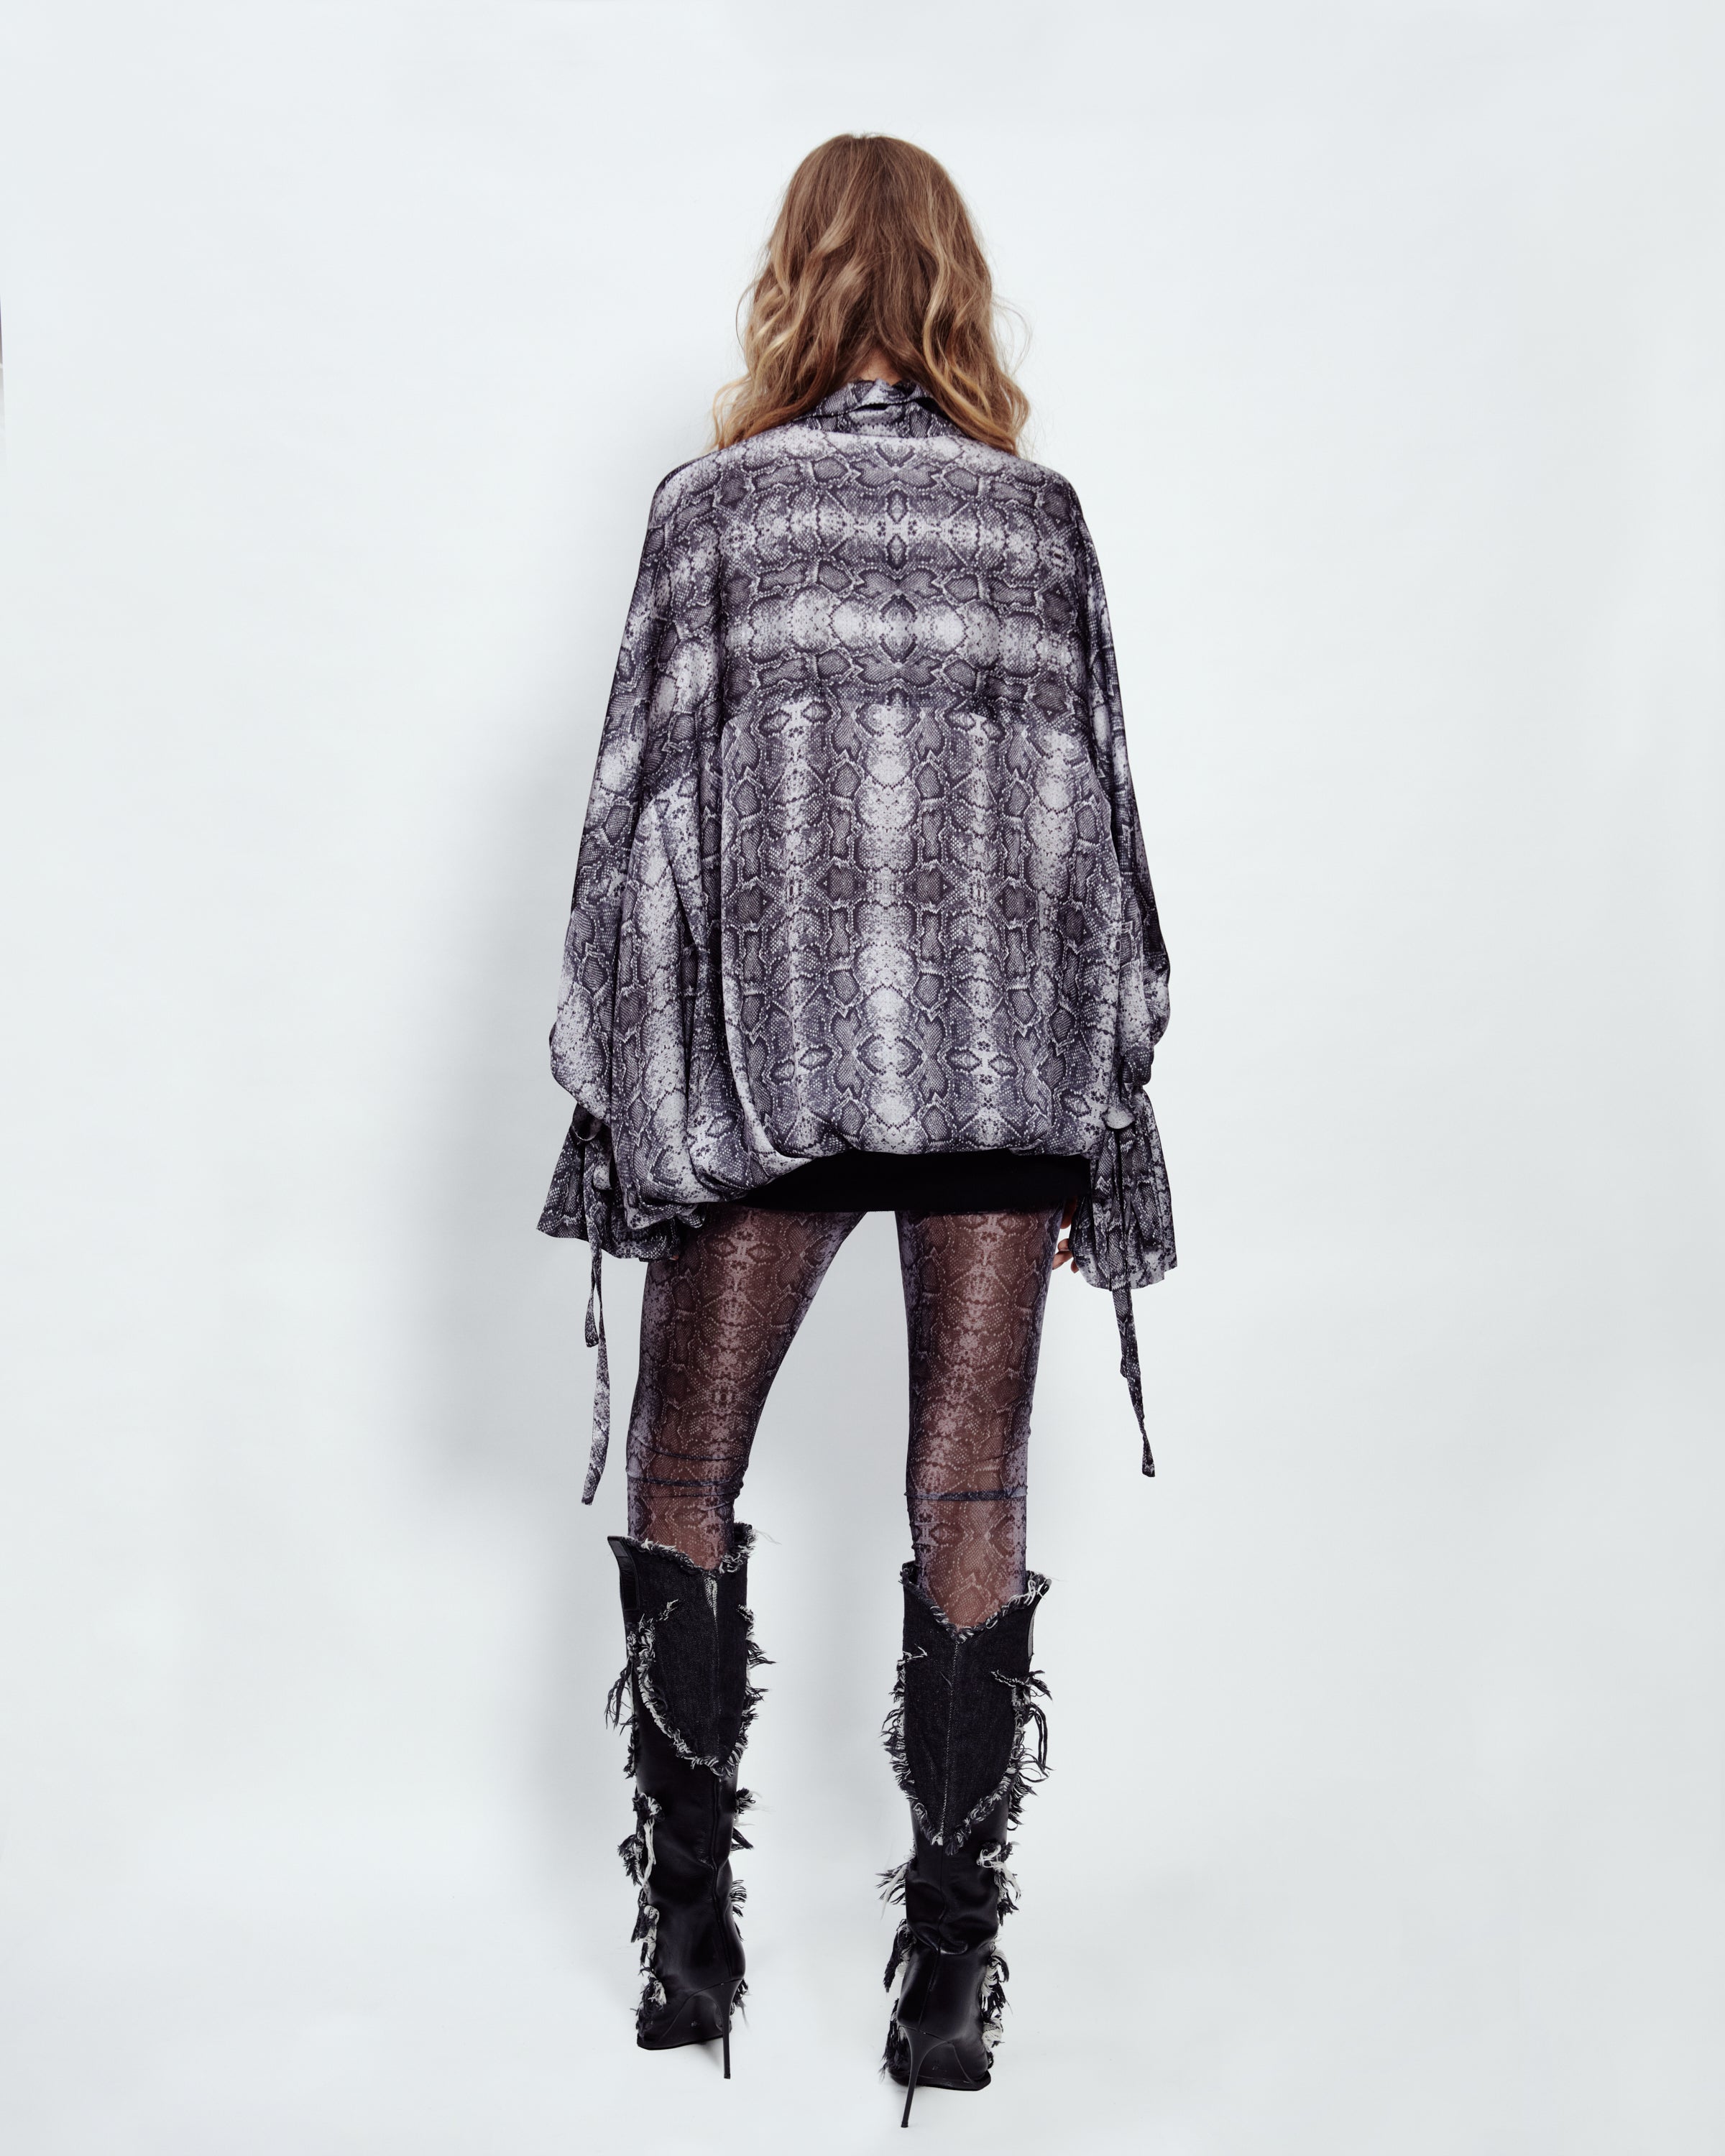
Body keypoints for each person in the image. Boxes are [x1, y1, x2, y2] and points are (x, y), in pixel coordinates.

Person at [538, 133, 1174, 2119]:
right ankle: (953, 1978)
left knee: (683, 1461)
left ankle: (687, 1941)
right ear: (957, 288)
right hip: (1000, 1076)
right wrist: (1103, 1094)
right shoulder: (1038, 521)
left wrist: (634, 1083)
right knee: (970, 1486)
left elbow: (639, 823)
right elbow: (1100, 832)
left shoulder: (715, 511)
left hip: (775, 1065)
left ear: (795, 279)